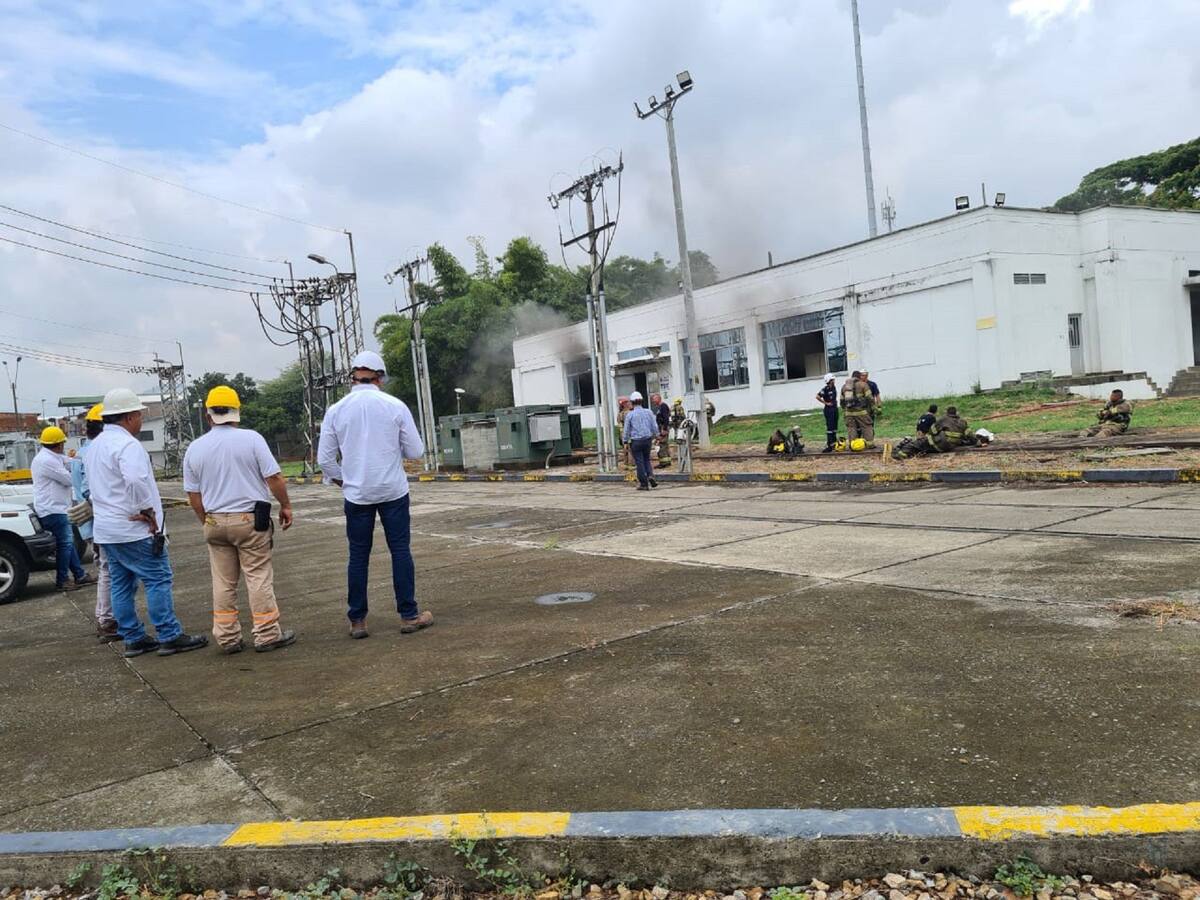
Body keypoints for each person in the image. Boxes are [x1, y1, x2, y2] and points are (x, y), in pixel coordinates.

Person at [318, 350, 432, 640]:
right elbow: (416, 451)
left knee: (358, 556)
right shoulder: (394, 405)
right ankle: (409, 615)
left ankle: (358, 621)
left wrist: (345, 481)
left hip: (356, 495)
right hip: (393, 490)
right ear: (379, 378)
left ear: (353, 378)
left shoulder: (336, 410)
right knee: (400, 551)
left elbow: (325, 461)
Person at [88, 388, 208, 658]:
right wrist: (146, 511)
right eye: (139, 415)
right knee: (157, 579)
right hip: (135, 528)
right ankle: (169, 634)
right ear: (129, 416)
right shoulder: (128, 445)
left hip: (107, 530)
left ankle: (133, 637)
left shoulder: (95, 446)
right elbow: (135, 480)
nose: (141, 420)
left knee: (120, 584)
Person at [183, 385, 296, 655]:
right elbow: (274, 478)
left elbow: (193, 495)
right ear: (236, 413)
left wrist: (207, 521)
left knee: (223, 582)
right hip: (249, 522)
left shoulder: (195, 448)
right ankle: (267, 634)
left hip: (214, 522)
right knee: (257, 577)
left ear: (208, 415)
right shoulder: (252, 439)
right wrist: (286, 506)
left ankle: (227, 638)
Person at [71, 404, 115, 640]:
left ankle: (105, 617)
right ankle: (106, 620)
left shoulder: (82, 453)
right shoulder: (94, 452)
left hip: (89, 523)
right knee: (108, 570)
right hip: (99, 522)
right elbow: (92, 493)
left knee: (105, 568)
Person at [32, 425, 94, 592]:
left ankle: (80, 575)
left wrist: (77, 460)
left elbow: (70, 462)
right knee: (65, 543)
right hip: (53, 509)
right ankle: (62, 580)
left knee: (68, 543)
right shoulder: (47, 460)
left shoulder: (51, 456)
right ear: (59, 444)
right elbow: (69, 479)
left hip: (56, 508)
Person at [621, 391, 659, 491]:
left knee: (639, 462)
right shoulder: (649, 412)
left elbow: (626, 430)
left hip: (636, 441)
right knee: (647, 459)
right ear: (642, 401)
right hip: (647, 440)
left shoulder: (630, 415)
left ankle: (644, 484)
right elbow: (654, 426)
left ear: (632, 402)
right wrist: (657, 436)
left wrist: (625, 441)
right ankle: (650, 475)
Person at [841, 370, 875, 448]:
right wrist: (873, 408)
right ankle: (869, 445)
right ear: (859, 377)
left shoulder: (844, 387)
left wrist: (845, 410)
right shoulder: (863, 385)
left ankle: (853, 445)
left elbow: (842, 401)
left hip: (848, 412)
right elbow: (870, 398)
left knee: (851, 428)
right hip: (861, 412)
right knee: (867, 426)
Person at [816, 373, 839, 453]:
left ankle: (834, 443)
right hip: (829, 410)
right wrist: (826, 403)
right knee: (830, 427)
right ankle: (829, 444)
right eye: (832, 380)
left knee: (834, 427)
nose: (834, 381)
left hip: (835, 408)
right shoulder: (825, 389)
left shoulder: (834, 387)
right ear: (829, 380)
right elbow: (817, 396)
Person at [651, 392, 672, 468]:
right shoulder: (660, 407)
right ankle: (667, 461)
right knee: (664, 445)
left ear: (658, 398)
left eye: (654, 399)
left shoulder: (663, 406)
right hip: (662, 427)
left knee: (661, 445)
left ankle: (663, 463)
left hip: (663, 427)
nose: (653, 401)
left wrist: (665, 429)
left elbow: (666, 418)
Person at [615, 396, 631, 468]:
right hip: (628, 434)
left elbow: (620, 426)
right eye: (627, 402)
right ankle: (630, 464)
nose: (629, 403)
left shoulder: (620, 414)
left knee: (625, 449)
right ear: (624, 404)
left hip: (623, 435)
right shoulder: (627, 413)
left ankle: (626, 463)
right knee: (629, 449)